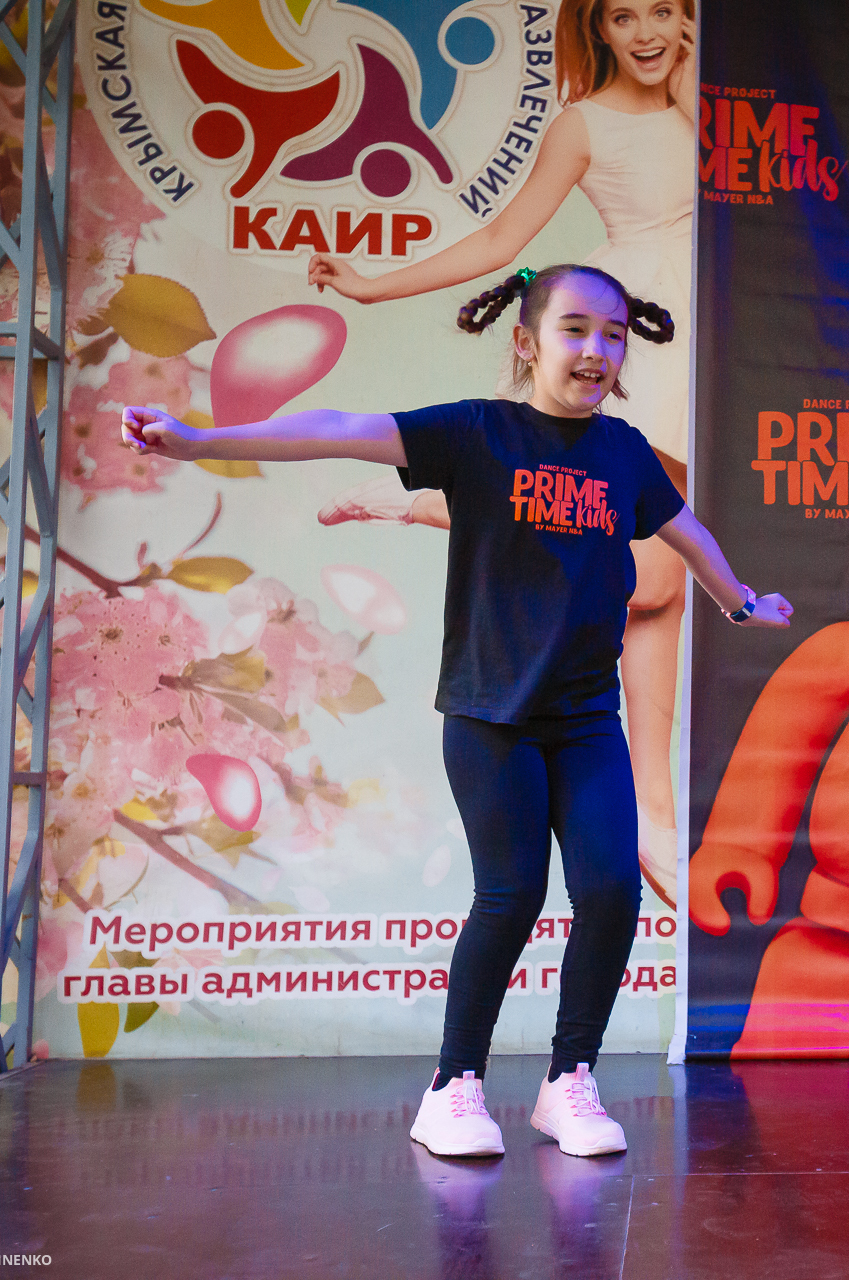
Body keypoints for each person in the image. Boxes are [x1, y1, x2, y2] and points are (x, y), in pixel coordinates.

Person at [121, 264, 791, 1160]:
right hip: (490, 715)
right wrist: (200, 440)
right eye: (576, 329)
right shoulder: (479, 433)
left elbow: (686, 531)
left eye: (614, 333)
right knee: (510, 898)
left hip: (586, 720)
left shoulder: (624, 453)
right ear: (527, 342)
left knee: (610, 890)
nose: (598, 350)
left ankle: (569, 1082)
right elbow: (340, 429)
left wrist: (740, 602)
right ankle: (453, 1087)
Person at [308, 0, 697, 909]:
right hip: (645, 317)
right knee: (648, 572)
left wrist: (689, 76)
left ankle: (654, 801)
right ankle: (430, 503)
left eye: (666, 11)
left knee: (662, 585)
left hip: (711, 311)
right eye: (625, 16)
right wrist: (371, 288)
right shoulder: (583, 124)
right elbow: (499, 240)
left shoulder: (710, 99)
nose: (647, 32)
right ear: (597, 27)